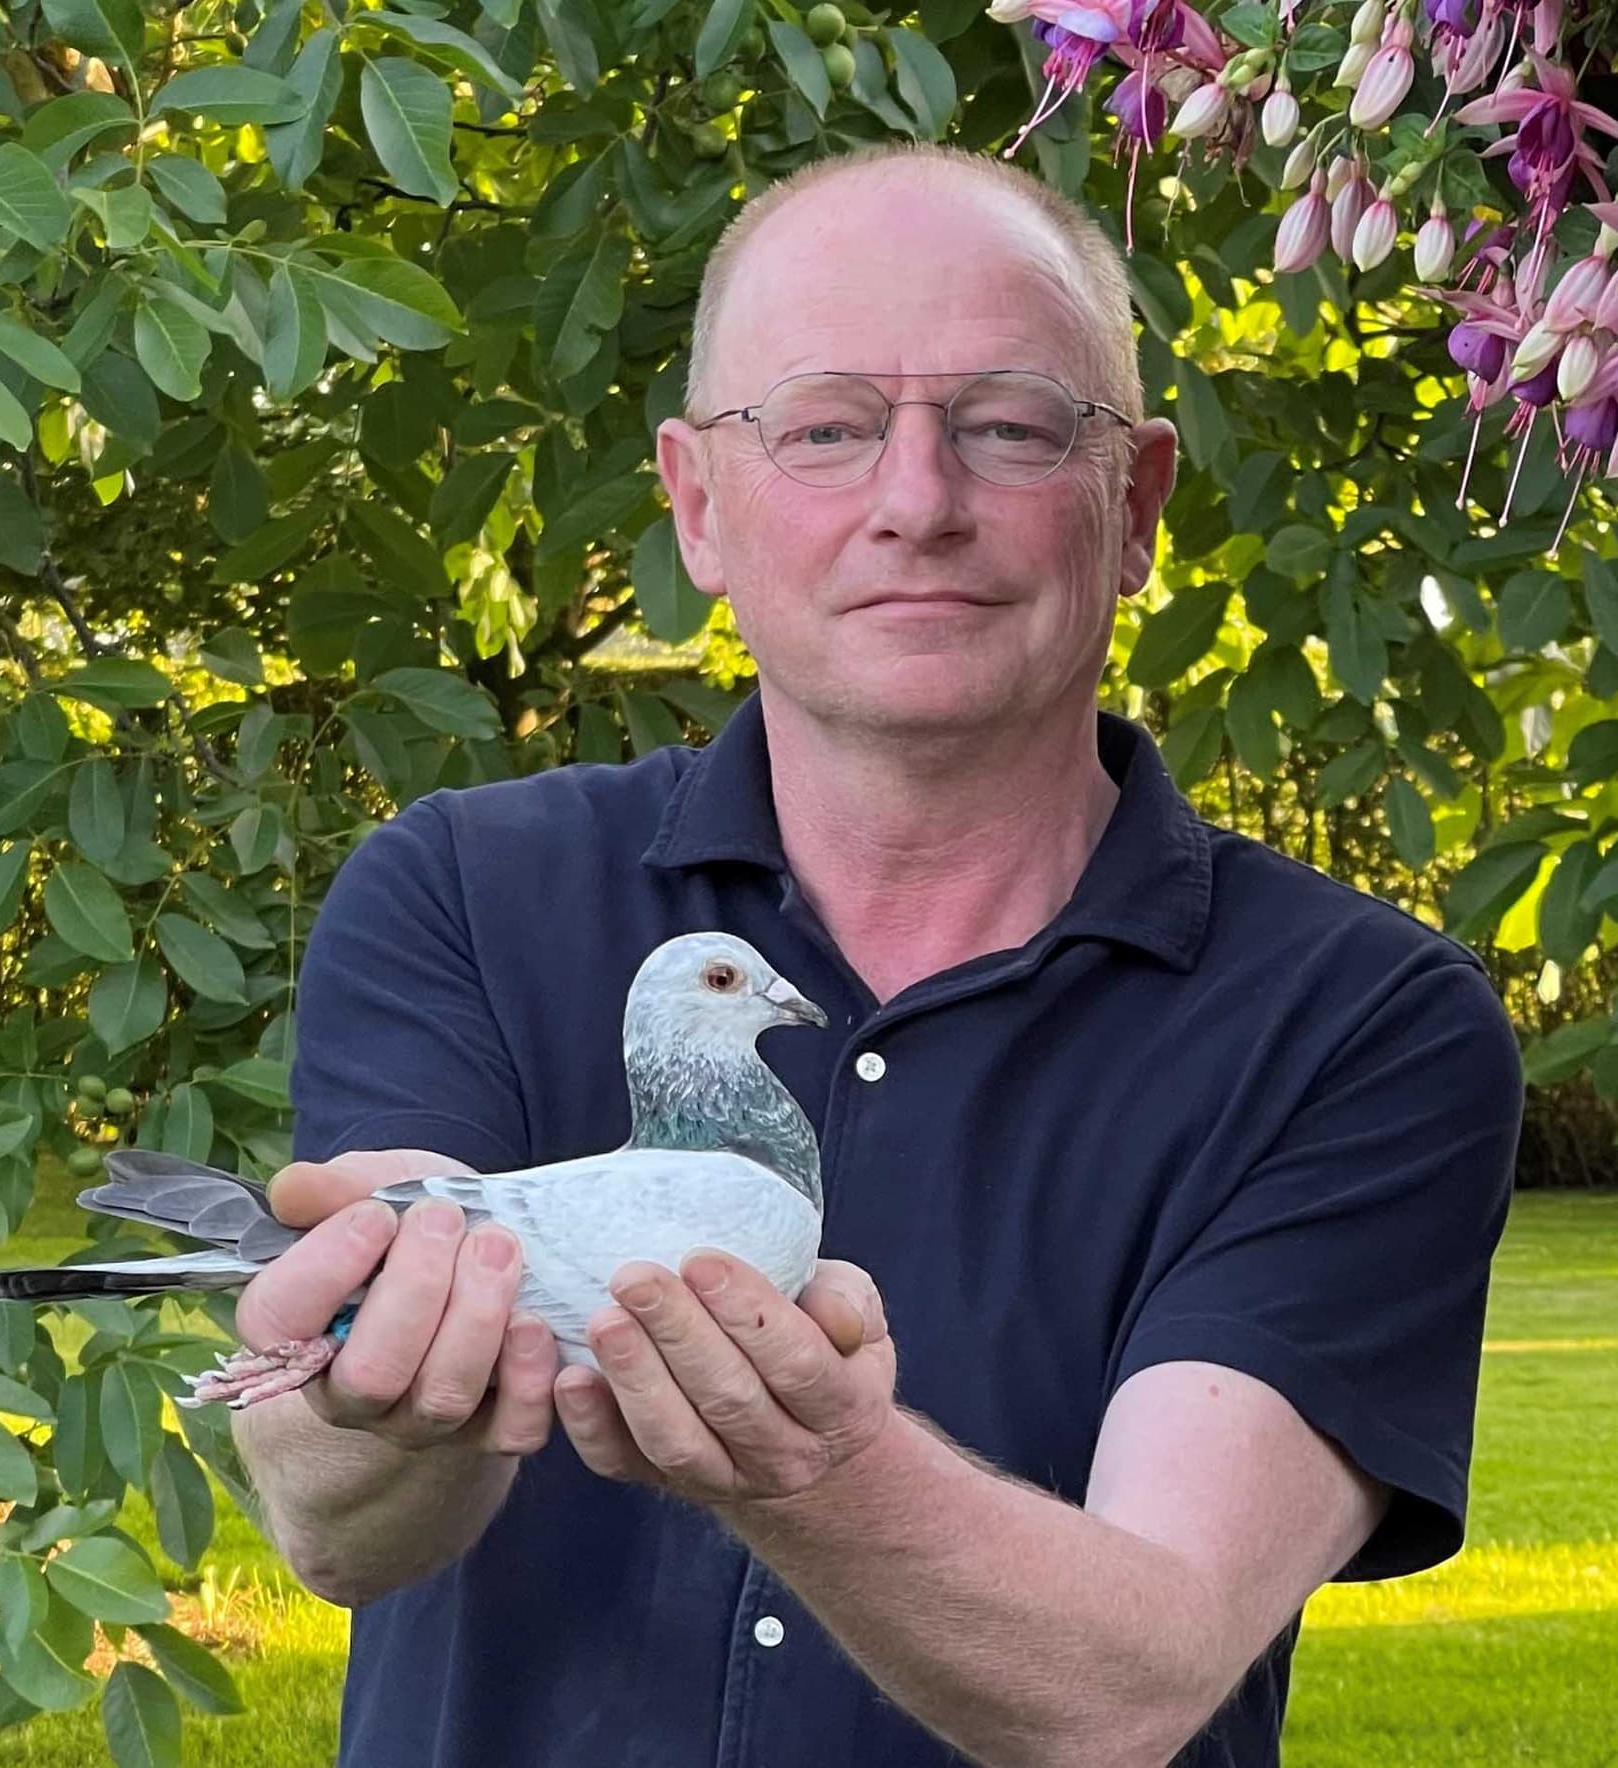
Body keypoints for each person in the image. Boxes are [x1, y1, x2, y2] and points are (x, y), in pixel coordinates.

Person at [228, 142, 1524, 1768]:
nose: (917, 503)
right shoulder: (462, 897)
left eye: (1009, 428)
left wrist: (816, 1463)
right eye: (826, 429)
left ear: (1134, 510)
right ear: (699, 505)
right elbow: (337, 1528)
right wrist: (373, 1383)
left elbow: (1130, 1683)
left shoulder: (1363, 1026)